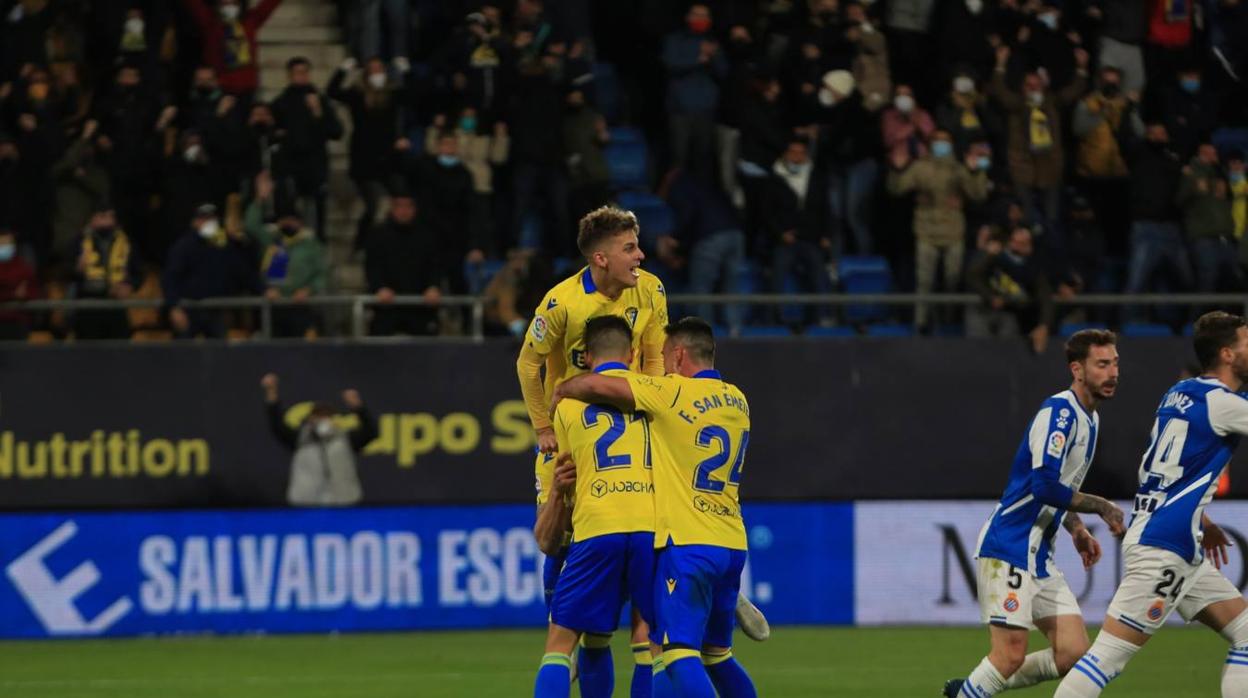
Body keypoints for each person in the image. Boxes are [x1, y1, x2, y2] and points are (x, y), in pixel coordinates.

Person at [552, 317, 758, 698]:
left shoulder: (670, 392)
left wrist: (563, 387)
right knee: (718, 655)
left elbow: (598, 384)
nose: (660, 362)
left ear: (678, 355)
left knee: (678, 653)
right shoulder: (738, 399)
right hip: (732, 541)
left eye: (664, 355)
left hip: (689, 542)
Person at [516, 206, 671, 695]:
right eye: (629, 248)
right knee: (556, 539)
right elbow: (528, 364)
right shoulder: (562, 303)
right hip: (573, 437)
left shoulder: (650, 288)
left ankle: (567, 644)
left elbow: (653, 356)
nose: (640, 255)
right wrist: (543, 427)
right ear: (600, 258)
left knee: (598, 628)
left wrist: (652, 405)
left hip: (627, 426)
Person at [1054, 312, 1248, 697]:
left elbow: (1161, 474)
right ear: (1227, 354)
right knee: (1106, 658)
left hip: (1175, 541)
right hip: (1165, 548)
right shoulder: (1224, 405)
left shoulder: (1179, 393)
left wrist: (1202, 519)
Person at [943, 329, 1126, 698]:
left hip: (1040, 555)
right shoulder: (1060, 413)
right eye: (1102, 364)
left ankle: (972, 689)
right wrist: (1101, 506)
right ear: (1077, 369)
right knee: (1008, 655)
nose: (1113, 373)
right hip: (1009, 546)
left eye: (1115, 363)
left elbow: (1061, 486)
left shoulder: (1091, 420)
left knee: (1073, 652)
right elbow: (1043, 486)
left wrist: (1075, 528)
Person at [532, 316, 658, 698]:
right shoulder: (660, 395)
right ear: (635, 354)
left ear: (585, 358)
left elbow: (547, 539)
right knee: (657, 646)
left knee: (560, 646)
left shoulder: (565, 411)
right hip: (651, 531)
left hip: (596, 530)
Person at [887, 130, 990, 331]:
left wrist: (975, 172)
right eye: (937, 141)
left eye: (945, 141)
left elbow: (978, 195)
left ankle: (948, 323)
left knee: (952, 280)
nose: (941, 145)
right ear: (931, 143)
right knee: (924, 281)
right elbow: (897, 189)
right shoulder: (920, 167)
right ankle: (921, 323)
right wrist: (896, 169)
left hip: (953, 232)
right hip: (926, 231)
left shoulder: (959, 168)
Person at [259, 373, 377, 506]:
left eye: (327, 416)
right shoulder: (299, 438)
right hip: (306, 505)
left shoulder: (347, 439)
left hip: (344, 504)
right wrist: (271, 392)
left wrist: (358, 408)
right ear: (310, 419)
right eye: (318, 416)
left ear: (334, 420)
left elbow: (371, 432)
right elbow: (277, 425)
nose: (322, 420)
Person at [70, 202, 141, 340]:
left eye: (111, 217)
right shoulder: (79, 242)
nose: (108, 221)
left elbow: (138, 272)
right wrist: (77, 268)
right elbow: (65, 273)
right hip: (88, 308)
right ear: (93, 219)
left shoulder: (126, 242)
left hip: (116, 306)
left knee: (118, 353)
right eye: (103, 216)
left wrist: (130, 285)